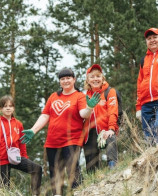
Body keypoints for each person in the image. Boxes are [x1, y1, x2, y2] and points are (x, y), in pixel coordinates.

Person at [20, 67, 101, 196]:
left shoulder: (79, 96)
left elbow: (83, 114)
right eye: (62, 79)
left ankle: (78, 193)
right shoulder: (53, 97)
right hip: (52, 142)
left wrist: (89, 107)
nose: (65, 81)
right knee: (55, 174)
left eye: (68, 78)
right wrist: (33, 130)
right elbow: (45, 115)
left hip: (72, 141)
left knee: (73, 171)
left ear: (74, 79)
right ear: (59, 82)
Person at [0, 95, 42, 196]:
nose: (8, 108)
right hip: (2, 158)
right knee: (4, 189)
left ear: (13, 108)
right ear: (0, 108)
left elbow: (22, 142)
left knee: (37, 169)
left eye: (10, 106)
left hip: (16, 157)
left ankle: (35, 194)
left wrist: (24, 157)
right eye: (5, 106)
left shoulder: (18, 124)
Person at [83, 64, 119, 173]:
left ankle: (113, 170)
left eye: (98, 76)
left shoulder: (109, 91)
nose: (95, 79)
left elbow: (113, 111)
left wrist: (111, 129)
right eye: (92, 77)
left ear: (102, 78)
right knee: (91, 165)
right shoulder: (84, 96)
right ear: (88, 80)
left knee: (111, 140)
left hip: (105, 128)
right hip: (90, 133)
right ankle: (93, 182)